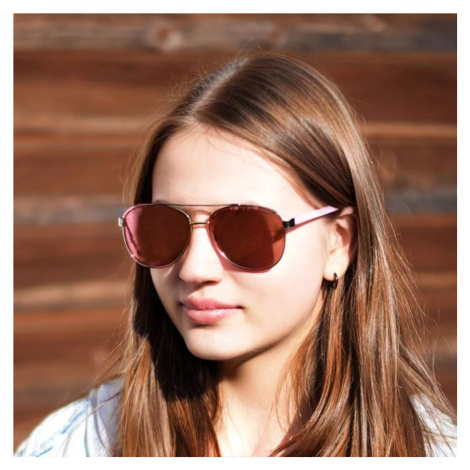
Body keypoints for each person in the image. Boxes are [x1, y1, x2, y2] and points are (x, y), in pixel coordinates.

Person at [15, 53, 456, 457]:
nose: (194, 268)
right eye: (164, 227)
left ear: (338, 242)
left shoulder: (433, 453)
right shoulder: (77, 447)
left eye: (245, 230)